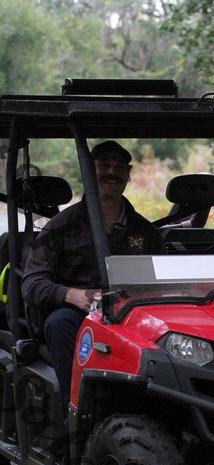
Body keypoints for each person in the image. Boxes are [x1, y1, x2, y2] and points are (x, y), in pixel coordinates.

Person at [22, 140, 165, 420]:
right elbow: (32, 282)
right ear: (88, 171)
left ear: (128, 175)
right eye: (103, 165)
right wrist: (73, 295)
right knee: (59, 323)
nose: (111, 172)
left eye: (119, 167)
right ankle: (75, 417)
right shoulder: (61, 226)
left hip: (133, 318)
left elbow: (163, 283)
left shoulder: (145, 232)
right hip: (79, 317)